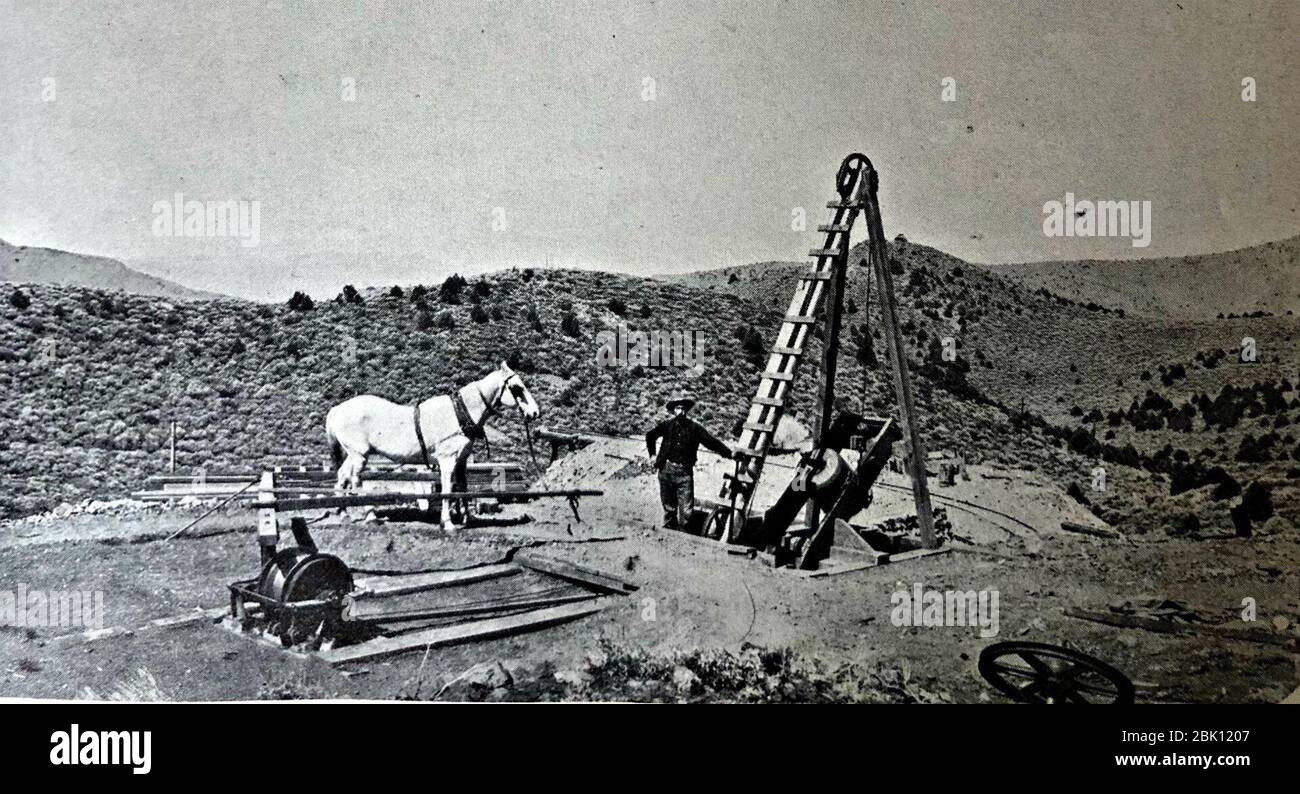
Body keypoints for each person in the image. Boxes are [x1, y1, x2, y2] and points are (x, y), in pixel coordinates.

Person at [645, 391, 740, 529]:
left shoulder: (695, 428)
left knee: (687, 512)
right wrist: (652, 456)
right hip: (666, 471)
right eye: (678, 408)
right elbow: (650, 436)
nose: (681, 412)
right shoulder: (667, 425)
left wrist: (729, 453)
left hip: (684, 474)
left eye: (683, 409)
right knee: (669, 509)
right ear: (673, 410)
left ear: (687, 411)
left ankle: (684, 540)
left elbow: (711, 442)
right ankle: (666, 540)